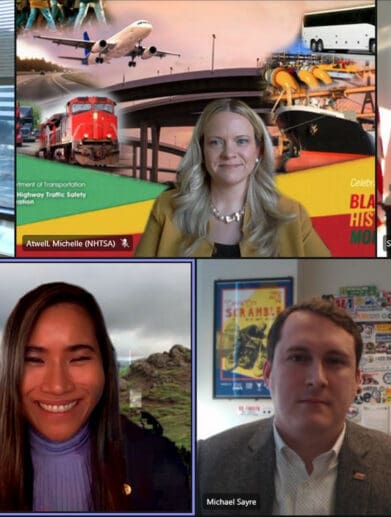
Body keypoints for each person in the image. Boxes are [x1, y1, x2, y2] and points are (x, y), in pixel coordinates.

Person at [0, 282, 190, 512]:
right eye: (34, 360)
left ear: (105, 366)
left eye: (79, 358)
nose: (58, 386)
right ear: (9, 368)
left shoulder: (158, 463)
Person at [197, 298, 391, 515]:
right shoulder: (206, 463)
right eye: (298, 358)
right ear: (268, 374)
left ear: (357, 380)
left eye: (335, 361)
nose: (317, 379)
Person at [134, 98, 330, 258]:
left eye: (241, 141)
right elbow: (138, 284)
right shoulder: (166, 208)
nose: (229, 153)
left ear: (259, 151)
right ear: (202, 150)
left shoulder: (291, 215)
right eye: (216, 142)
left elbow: (328, 286)